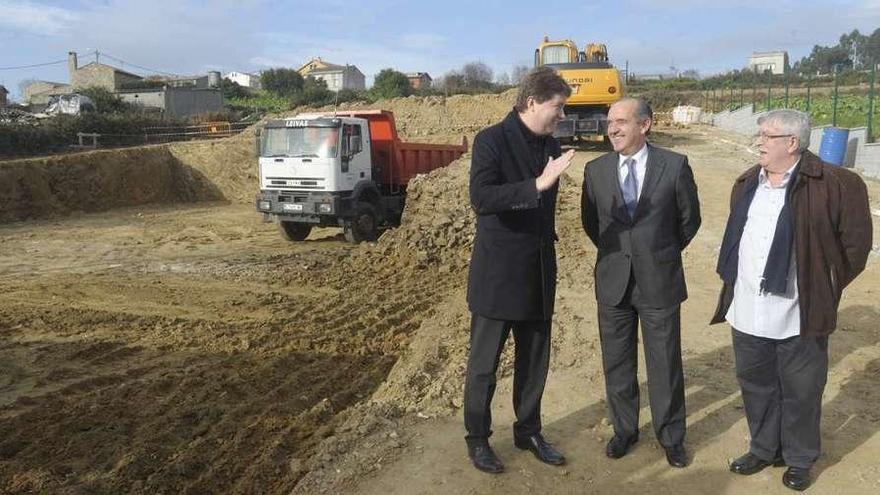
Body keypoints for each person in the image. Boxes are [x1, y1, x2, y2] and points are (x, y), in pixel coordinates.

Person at [711, 109, 872, 491]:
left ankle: (800, 458)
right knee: (756, 384)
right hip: (748, 307)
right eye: (760, 135)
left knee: (802, 390)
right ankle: (764, 448)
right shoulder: (748, 181)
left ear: (792, 143)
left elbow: (856, 246)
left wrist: (824, 284)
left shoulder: (836, 183)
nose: (758, 142)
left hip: (800, 310)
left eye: (766, 136)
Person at [464, 66, 575, 474]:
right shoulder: (491, 140)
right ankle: (477, 439)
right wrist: (536, 184)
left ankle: (528, 431)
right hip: (498, 274)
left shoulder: (551, 144)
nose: (561, 116)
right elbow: (481, 197)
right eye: (557, 107)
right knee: (483, 365)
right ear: (532, 102)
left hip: (539, 271)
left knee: (534, 361)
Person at [581, 97, 701, 468]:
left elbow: (688, 221)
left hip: (659, 279)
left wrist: (656, 252)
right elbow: (592, 223)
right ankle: (625, 430)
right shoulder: (596, 170)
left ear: (644, 125)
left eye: (620, 121)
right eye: (609, 122)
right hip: (613, 280)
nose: (611, 129)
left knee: (664, 362)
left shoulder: (674, 165)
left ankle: (671, 437)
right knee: (616, 362)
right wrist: (622, 255)